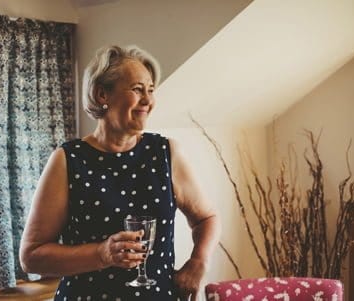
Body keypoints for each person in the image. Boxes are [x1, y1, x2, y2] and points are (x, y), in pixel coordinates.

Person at [19, 45, 220, 301]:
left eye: (150, 90)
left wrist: (198, 262)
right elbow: (31, 256)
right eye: (137, 90)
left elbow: (207, 217)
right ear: (102, 94)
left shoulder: (165, 152)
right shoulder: (68, 160)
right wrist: (101, 254)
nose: (148, 100)